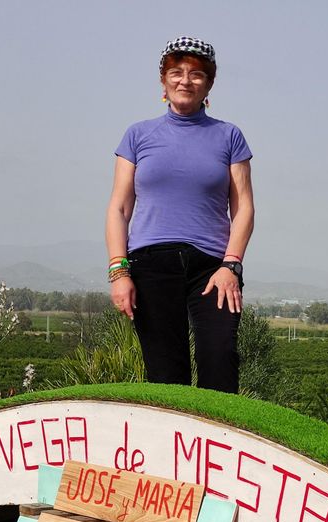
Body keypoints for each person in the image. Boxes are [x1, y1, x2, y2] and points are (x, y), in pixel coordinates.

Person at [106, 36, 254, 393]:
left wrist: (231, 265)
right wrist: (118, 270)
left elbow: (244, 206)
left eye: (196, 74)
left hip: (212, 268)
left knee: (220, 360)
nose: (185, 81)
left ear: (209, 83)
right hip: (150, 265)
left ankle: (220, 445)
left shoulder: (229, 136)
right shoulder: (138, 135)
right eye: (176, 72)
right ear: (163, 80)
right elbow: (119, 207)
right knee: (165, 374)